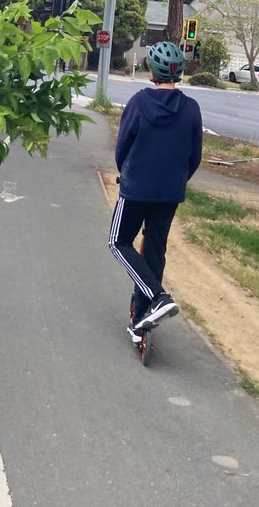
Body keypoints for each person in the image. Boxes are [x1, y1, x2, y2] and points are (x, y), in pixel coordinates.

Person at [109, 39, 202, 343]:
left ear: (151, 70)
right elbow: (194, 156)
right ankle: (143, 316)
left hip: (136, 188)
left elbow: (123, 145)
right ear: (178, 72)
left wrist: (126, 172)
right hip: (169, 192)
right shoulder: (191, 108)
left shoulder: (139, 102)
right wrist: (177, 179)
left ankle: (157, 297)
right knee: (154, 250)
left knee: (118, 241)